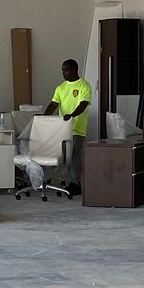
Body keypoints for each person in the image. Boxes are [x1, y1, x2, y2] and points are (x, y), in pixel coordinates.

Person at [44, 59, 92, 191]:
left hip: (77, 128)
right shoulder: (61, 88)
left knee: (74, 155)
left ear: (74, 70)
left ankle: (76, 183)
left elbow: (83, 104)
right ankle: (61, 179)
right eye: (62, 70)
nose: (63, 73)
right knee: (63, 156)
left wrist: (72, 115)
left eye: (66, 70)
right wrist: (44, 116)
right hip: (63, 128)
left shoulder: (84, 85)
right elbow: (54, 104)